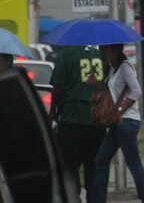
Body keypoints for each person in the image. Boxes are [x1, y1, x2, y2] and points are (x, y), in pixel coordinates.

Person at [87, 44, 144, 203]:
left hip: (127, 122)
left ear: (114, 52)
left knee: (134, 164)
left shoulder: (125, 68)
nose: (102, 55)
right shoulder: (113, 69)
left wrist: (120, 110)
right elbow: (111, 92)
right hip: (119, 123)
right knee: (101, 159)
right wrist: (96, 83)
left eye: (104, 51)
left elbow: (136, 91)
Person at [50, 45, 106, 203]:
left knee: (70, 164)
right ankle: (94, 198)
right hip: (96, 118)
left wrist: (53, 112)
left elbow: (58, 87)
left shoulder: (66, 56)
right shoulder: (100, 55)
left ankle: (74, 197)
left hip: (71, 117)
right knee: (93, 164)